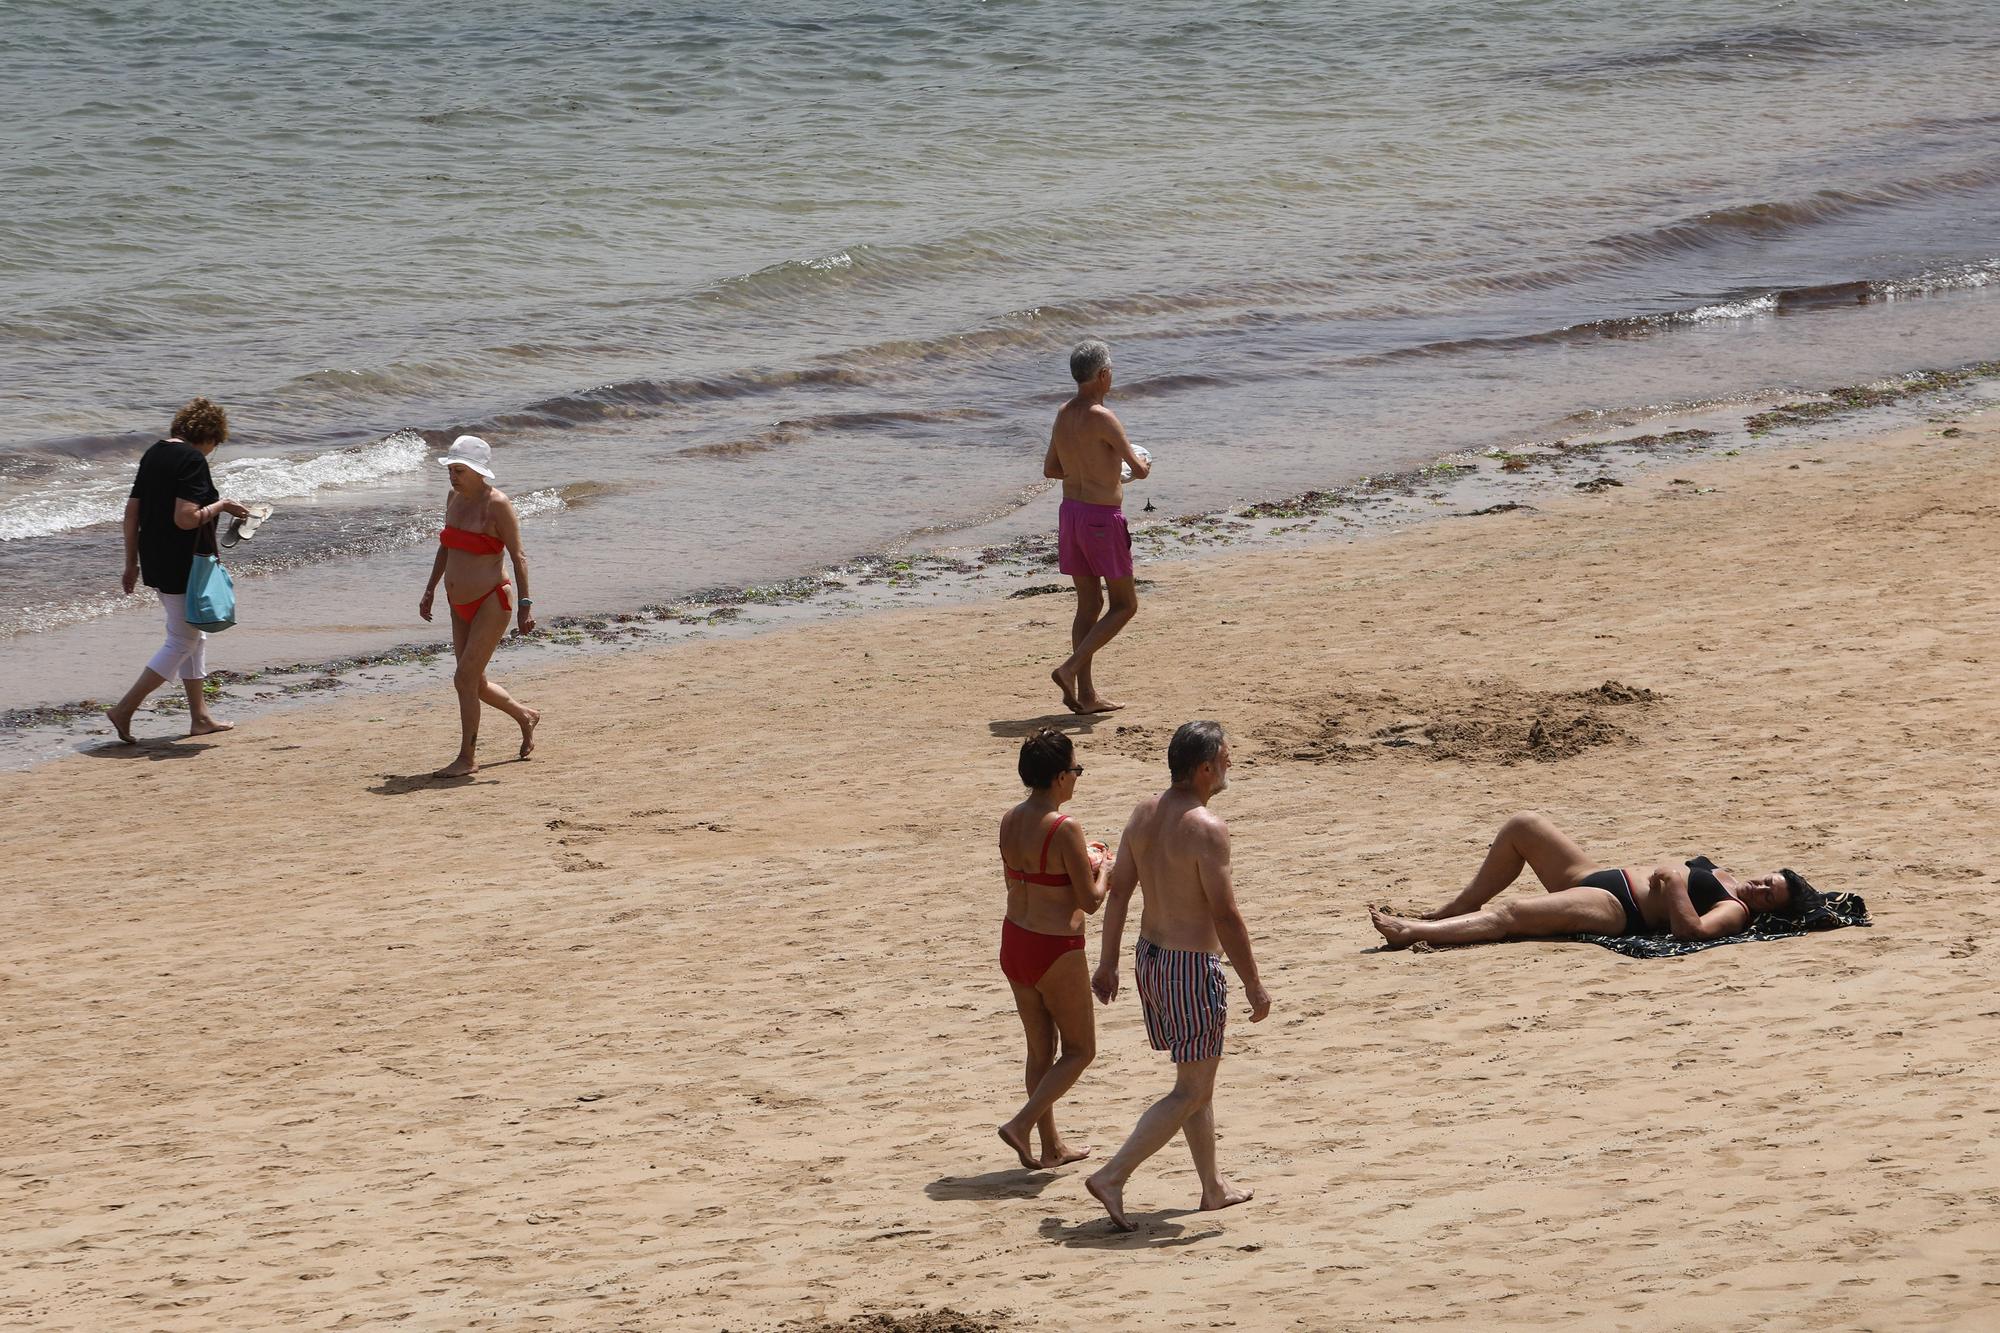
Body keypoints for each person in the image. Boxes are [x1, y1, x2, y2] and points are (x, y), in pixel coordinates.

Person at [1086, 721, 1271, 1231]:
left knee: (1197, 1080)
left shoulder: (1144, 812)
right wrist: (1253, 981)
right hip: (1190, 968)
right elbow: (1226, 914)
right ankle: (1113, 1175)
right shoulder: (1206, 827)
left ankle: (1212, 1187)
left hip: (1152, 959)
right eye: (1226, 758)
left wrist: (1108, 963)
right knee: (1191, 1088)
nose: (1231, 764)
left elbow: (1118, 891)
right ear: (1205, 767)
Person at [1367, 811, 1828, 949]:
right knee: (1522, 827)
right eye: (1768, 881)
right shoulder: (1726, 875)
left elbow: (1691, 932)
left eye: (1769, 898)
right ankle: (1455, 909)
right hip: (1594, 876)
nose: (1760, 890)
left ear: (1767, 911)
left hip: (1614, 909)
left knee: (1512, 913)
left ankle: (1416, 932)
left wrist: (1676, 885)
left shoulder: (1734, 912)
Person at [996, 729, 1112, 1171]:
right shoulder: (1065, 827)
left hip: (1015, 939)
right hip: (1055, 946)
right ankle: (1022, 1125)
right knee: (1080, 1050)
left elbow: (1018, 879)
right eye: (1076, 770)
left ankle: (1050, 1146)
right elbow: (1090, 901)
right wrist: (1108, 870)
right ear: (1061, 776)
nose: (1077, 778)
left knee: (1039, 1052)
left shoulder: (1009, 819)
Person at [107, 397, 252, 743]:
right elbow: (186, 519)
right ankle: (124, 709)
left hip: (155, 557)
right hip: (184, 562)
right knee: (182, 639)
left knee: (193, 634)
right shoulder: (191, 459)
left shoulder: (154, 453)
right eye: (215, 444)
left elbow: (131, 513)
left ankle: (199, 717)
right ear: (210, 436)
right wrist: (223, 505)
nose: (212, 451)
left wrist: (131, 563)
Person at [418, 435, 539, 777]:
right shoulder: (453, 498)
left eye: (460, 470)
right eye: (451, 470)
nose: (453, 476)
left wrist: (525, 606)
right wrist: (429, 590)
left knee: (463, 677)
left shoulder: (497, 504)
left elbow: (519, 556)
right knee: (475, 682)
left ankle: (467, 758)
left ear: (478, 471)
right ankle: (525, 715)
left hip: (491, 600)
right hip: (457, 602)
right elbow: (446, 546)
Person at [1044, 339, 1150, 715]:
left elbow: (1052, 469)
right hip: (1101, 519)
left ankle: (1086, 695)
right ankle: (1070, 668)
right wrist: (1134, 468)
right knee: (1125, 604)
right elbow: (1137, 468)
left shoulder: (1063, 413)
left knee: (1088, 605)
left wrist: (1088, 470)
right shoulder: (1102, 416)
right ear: (1103, 374)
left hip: (1070, 513)